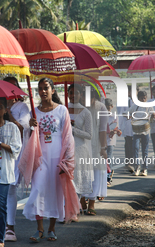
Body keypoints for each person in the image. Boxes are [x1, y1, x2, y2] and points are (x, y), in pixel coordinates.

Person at [22, 77, 78, 242]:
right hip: (40, 158)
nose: (43, 91)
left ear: (53, 90)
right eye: (40, 89)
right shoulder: (35, 112)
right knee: (37, 189)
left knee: (55, 192)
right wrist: (30, 127)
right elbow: (30, 138)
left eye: (46, 88)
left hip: (57, 157)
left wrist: (67, 161)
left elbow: (68, 137)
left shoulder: (62, 110)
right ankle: (39, 229)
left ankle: (51, 229)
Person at [0, 97, 22, 247]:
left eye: (0, 107)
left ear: (4, 110)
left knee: (0, 205)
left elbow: (16, 148)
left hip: (4, 172)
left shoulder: (12, 127)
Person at [3, 77, 30, 242]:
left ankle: (10, 227)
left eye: (13, 86)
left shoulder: (22, 107)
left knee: (10, 189)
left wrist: (8, 115)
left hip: (14, 153)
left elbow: (22, 128)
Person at [67, 84, 94, 213]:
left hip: (79, 149)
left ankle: (75, 209)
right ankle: (70, 208)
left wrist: (73, 130)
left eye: (76, 93)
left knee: (77, 179)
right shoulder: (62, 109)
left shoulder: (86, 112)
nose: (73, 95)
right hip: (65, 148)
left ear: (81, 95)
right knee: (67, 180)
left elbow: (89, 135)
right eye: (71, 93)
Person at [83, 88, 108, 214]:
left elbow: (102, 129)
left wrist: (103, 148)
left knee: (96, 174)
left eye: (91, 96)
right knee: (81, 174)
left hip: (96, 145)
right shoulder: (78, 107)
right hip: (81, 145)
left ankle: (91, 203)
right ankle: (82, 199)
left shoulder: (101, 107)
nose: (88, 99)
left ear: (95, 96)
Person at [129, 90, 154, 176]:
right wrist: (129, 116)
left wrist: (154, 116)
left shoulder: (149, 106)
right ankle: (137, 167)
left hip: (146, 131)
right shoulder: (134, 106)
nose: (143, 100)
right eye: (141, 98)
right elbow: (128, 114)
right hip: (136, 131)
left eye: (145, 98)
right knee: (135, 148)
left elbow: (153, 113)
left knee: (145, 150)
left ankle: (145, 169)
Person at [117, 86, 135, 173]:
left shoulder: (135, 101)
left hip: (135, 126)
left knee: (133, 145)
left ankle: (131, 162)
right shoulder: (125, 101)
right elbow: (122, 113)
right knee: (128, 144)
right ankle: (129, 162)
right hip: (127, 126)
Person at [105, 98, 120, 185]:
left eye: (108, 107)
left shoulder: (114, 116)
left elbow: (117, 128)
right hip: (102, 140)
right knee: (103, 160)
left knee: (109, 158)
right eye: (105, 107)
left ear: (112, 107)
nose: (107, 109)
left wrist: (114, 131)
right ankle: (107, 174)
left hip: (110, 141)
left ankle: (108, 177)